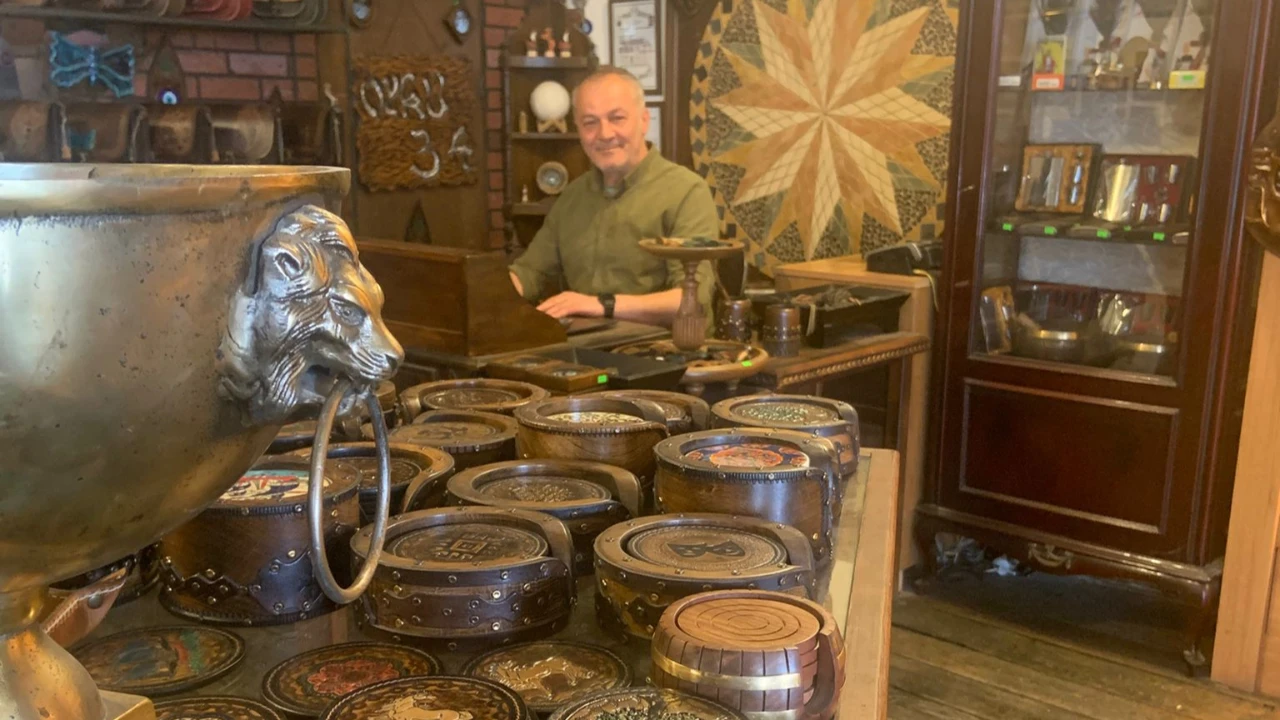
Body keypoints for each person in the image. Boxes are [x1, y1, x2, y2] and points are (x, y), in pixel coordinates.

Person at [508, 66, 718, 326]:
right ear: (578, 129)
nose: (604, 134)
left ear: (644, 120)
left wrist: (602, 305)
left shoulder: (686, 191)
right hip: (583, 345)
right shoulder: (572, 196)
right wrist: (483, 294)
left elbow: (693, 299)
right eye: (590, 122)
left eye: (617, 118)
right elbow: (529, 272)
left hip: (664, 347)